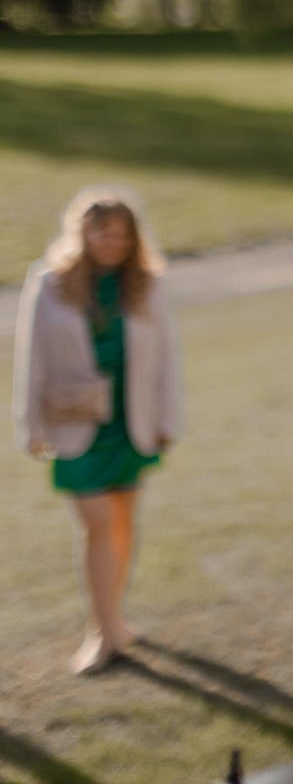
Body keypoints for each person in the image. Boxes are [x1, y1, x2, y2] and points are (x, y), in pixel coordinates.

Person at [13, 187, 184, 675]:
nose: (112, 242)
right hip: (76, 425)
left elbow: (168, 358)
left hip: (133, 422)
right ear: (82, 233)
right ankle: (100, 630)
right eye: (102, 232)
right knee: (96, 525)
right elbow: (33, 356)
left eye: (121, 234)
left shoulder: (146, 285)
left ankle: (115, 617)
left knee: (124, 521)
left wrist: (168, 420)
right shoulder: (50, 284)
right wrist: (31, 425)